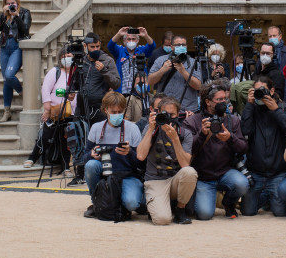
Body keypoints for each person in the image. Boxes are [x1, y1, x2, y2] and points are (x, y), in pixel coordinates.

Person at [183, 80, 249, 219]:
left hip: (225, 172)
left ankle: (229, 203)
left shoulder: (233, 120)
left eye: (225, 99)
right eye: (219, 99)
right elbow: (186, 150)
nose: (223, 102)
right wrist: (202, 134)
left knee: (242, 184)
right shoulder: (193, 121)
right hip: (203, 176)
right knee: (205, 214)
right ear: (208, 101)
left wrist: (230, 138)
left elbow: (243, 148)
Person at [82, 91, 145, 219]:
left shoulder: (133, 129)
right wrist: (92, 155)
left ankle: (124, 203)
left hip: (127, 175)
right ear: (105, 110)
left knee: (132, 204)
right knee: (91, 165)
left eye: (120, 112)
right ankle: (97, 202)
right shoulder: (96, 128)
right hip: (105, 175)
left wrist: (130, 153)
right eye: (113, 112)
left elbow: (141, 163)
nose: (117, 115)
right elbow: (84, 158)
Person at [137, 96, 198, 225]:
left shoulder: (184, 133)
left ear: (178, 115)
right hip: (155, 180)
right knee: (162, 220)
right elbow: (140, 156)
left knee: (190, 172)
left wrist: (175, 139)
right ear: (158, 113)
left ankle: (180, 209)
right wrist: (150, 129)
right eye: (165, 114)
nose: (169, 118)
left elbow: (185, 164)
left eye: (172, 115)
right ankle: (159, 205)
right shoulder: (150, 129)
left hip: (175, 179)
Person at [240, 76, 286, 217]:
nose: (260, 93)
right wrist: (249, 105)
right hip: (255, 172)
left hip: (278, 172)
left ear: (271, 90)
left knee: (280, 213)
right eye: (256, 90)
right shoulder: (251, 108)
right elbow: (245, 130)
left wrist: (275, 110)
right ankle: (265, 196)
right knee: (247, 212)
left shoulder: (284, 107)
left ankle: (268, 196)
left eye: (263, 90)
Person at [0, 0, 31, 123]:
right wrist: (4, 15)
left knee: (9, 75)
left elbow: (25, 30)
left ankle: (22, 92)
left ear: (17, 2)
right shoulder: (4, 14)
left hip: (17, 46)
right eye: (8, 3)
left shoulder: (24, 13)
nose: (11, 6)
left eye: (13, 3)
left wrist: (16, 16)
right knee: (6, 79)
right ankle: (7, 111)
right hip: (5, 47)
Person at [146, 34, 203, 114]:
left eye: (183, 45)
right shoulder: (161, 60)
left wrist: (183, 71)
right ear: (172, 47)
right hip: (165, 109)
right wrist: (162, 70)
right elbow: (150, 81)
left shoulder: (193, 63)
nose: (181, 47)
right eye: (178, 45)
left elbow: (198, 86)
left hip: (187, 111)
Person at [74, 32, 120, 122]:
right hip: (81, 108)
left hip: (100, 109)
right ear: (85, 46)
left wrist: (104, 71)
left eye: (97, 46)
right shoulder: (81, 61)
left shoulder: (107, 60)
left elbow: (116, 83)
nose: (95, 49)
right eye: (92, 47)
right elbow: (75, 81)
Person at [108, 25, 156, 94]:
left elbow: (152, 46)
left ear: (138, 40)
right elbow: (110, 46)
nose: (131, 41)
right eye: (129, 39)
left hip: (139, 92)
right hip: (122, 92)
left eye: (133, 39)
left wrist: (146, 35)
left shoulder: (142, 50)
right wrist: (119, 34)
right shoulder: (120, 51)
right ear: (124, 41)